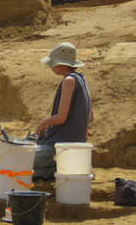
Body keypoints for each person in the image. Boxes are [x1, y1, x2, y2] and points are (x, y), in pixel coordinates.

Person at [33, 42, 93, 181]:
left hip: (60, 145)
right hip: (75, 144)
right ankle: (70, 168)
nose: (50, 66)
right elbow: (90, 117)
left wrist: (44, 123)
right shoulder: (82, 81)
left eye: (52, 63)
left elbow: (61, 118)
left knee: (20, 162)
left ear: (61, 64)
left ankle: (60, 169)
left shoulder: (68, 81)